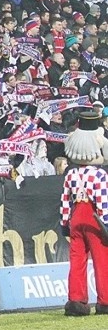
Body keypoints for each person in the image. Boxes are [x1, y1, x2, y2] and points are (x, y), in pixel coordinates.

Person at [60, 110, 108, 316]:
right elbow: (103, 202)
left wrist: (65, 224)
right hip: (94, 217)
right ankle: (105, 300)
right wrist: (106, 223)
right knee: (102, 259)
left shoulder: (71, 173)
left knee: (77, 259)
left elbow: (65, 200)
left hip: (75, 217)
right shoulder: (99, 174)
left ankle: (76, 300)